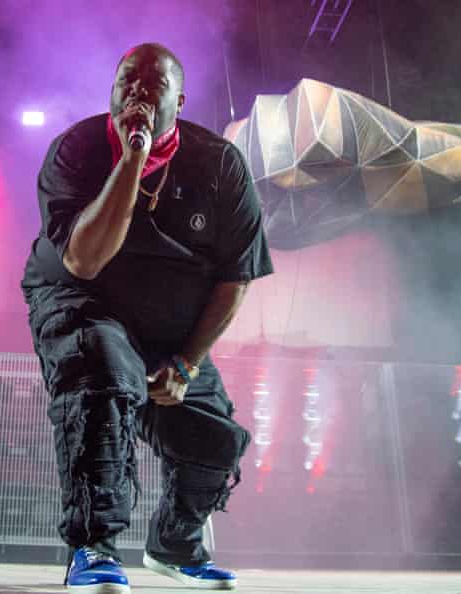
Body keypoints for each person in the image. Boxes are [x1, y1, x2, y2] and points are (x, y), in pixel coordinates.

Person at [21, 42, 273, 593]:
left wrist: (186, 362)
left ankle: (176, 546)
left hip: (171, 323)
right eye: (124, 81)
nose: (135, 91)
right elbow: (85, 260)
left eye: (151, 83)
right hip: (79, 300)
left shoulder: (219, 164)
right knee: (106, 378)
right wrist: (133, 157)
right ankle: (94, 549)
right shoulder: (78, 151)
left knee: (216, 437)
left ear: (177, 101)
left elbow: (237, 274)